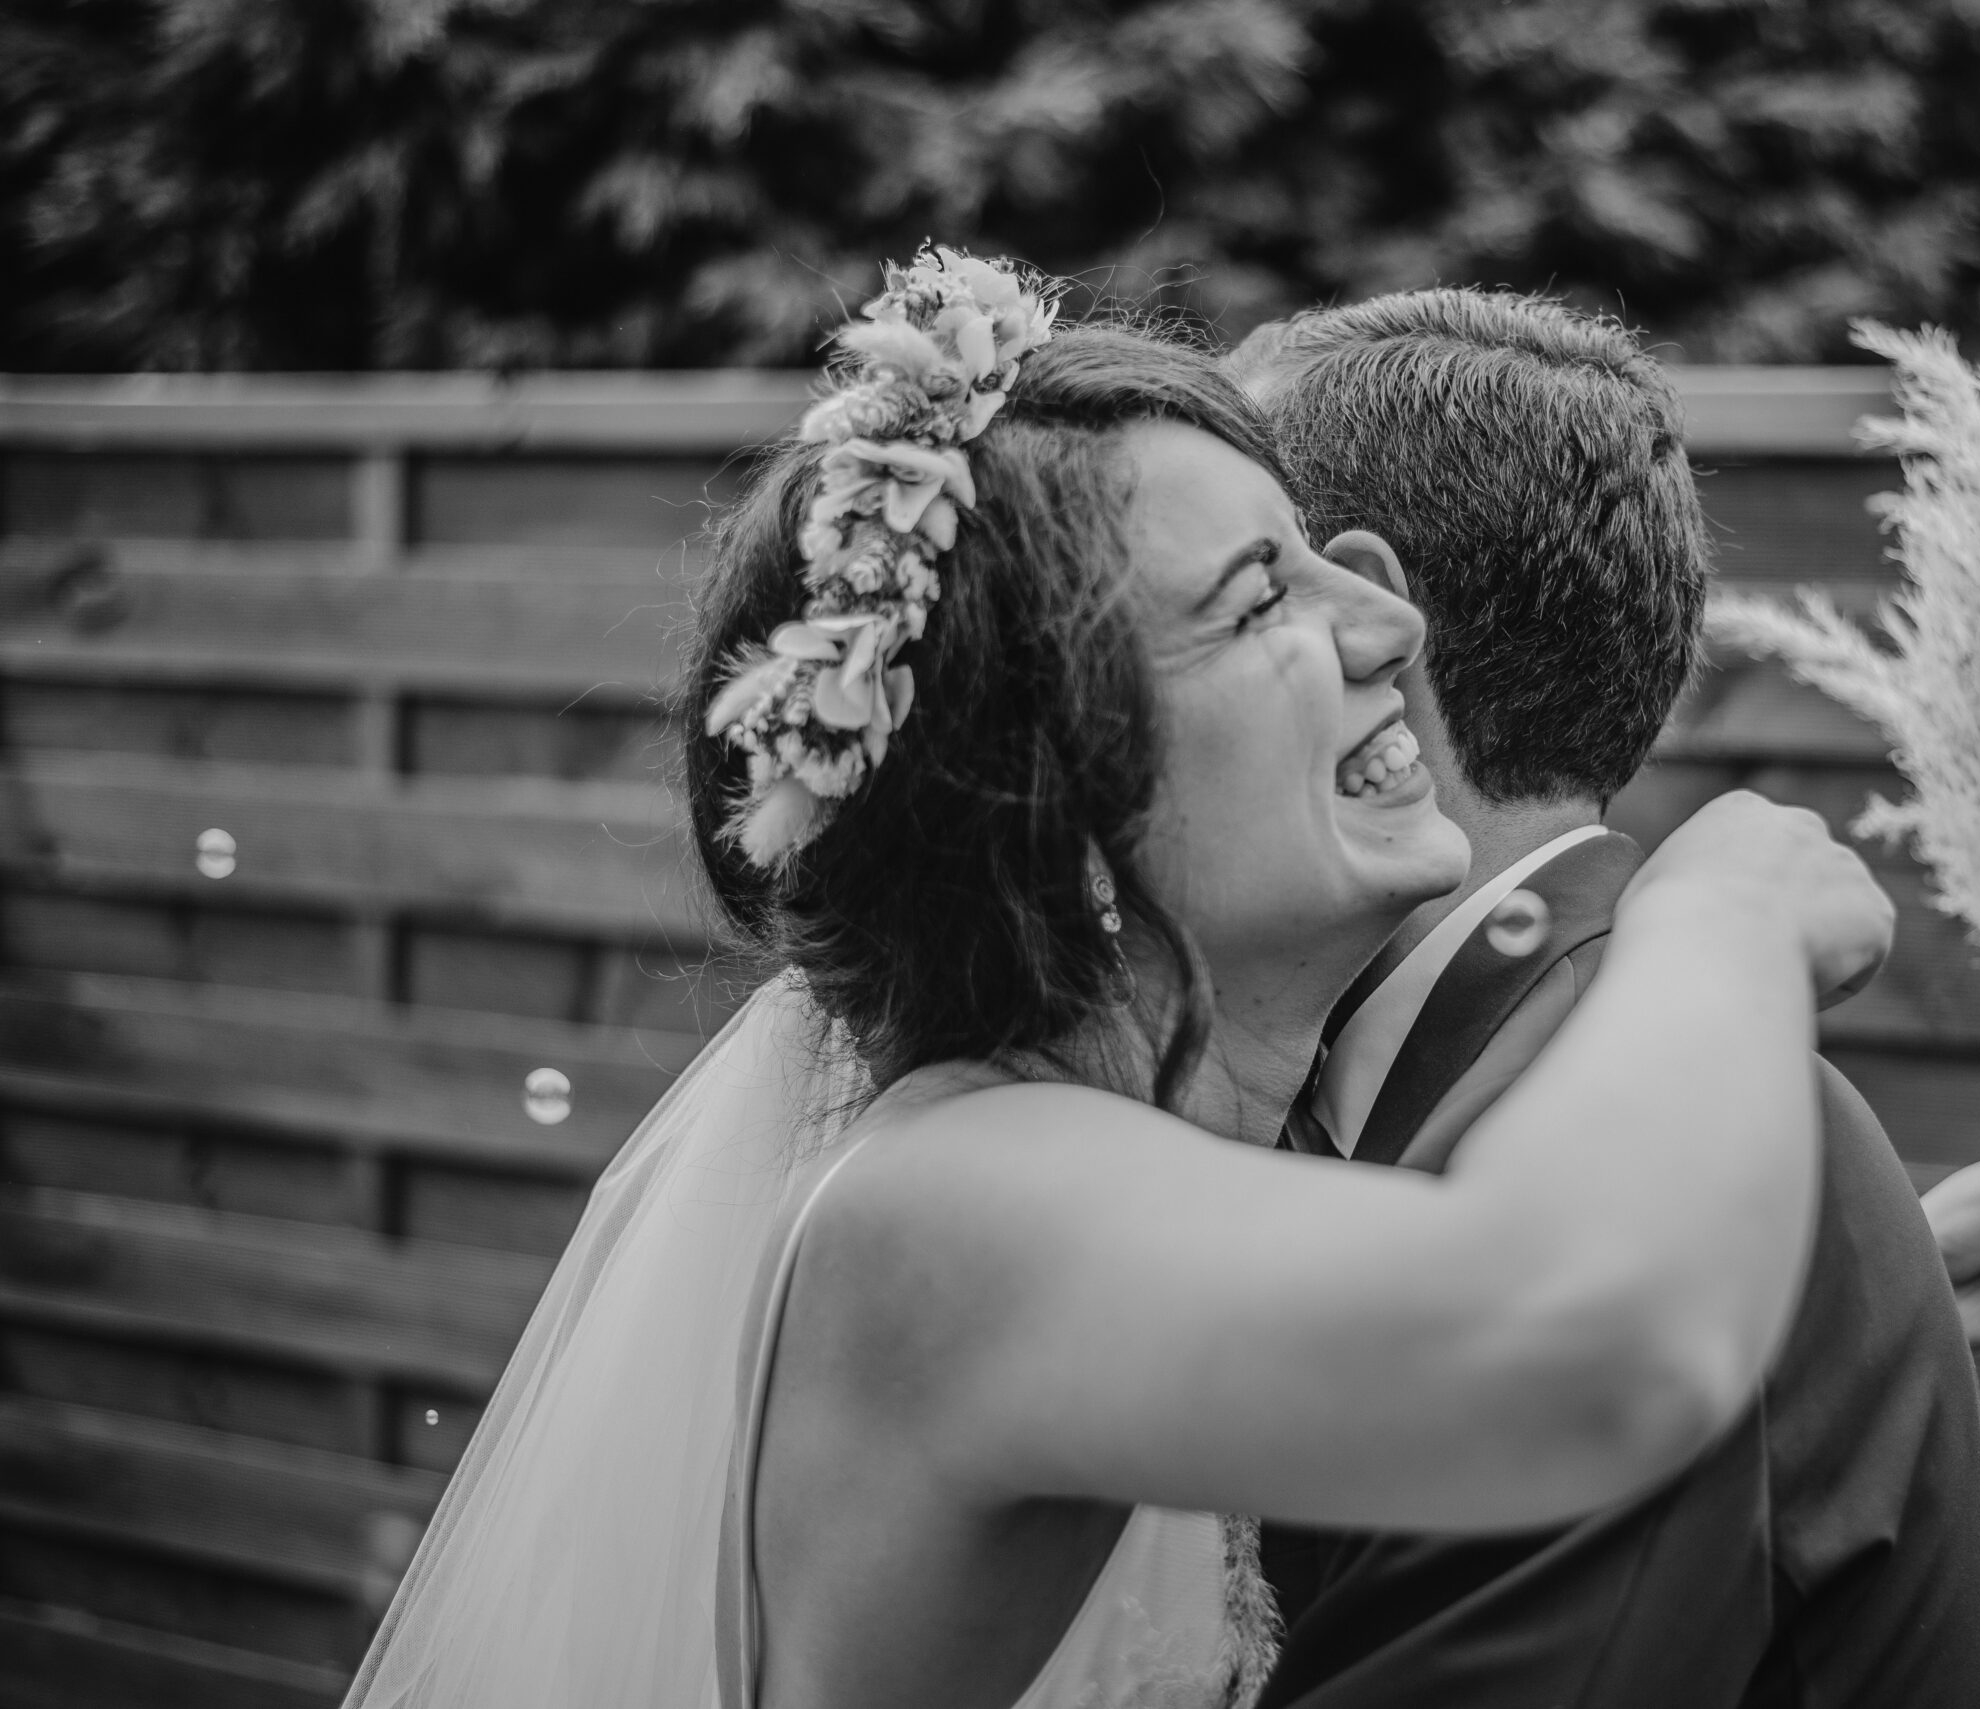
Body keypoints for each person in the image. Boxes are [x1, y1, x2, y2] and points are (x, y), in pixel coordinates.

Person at [342, 252, 1897, 1709]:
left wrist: (1854, 1265)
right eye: (1261, 597)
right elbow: (1588, 1345)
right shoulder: (958, 1197)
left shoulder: (1066, 1183)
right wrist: (1723, 915)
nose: (1391, 623)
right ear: (1061, 808)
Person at [1229, 289, 1980, 1709]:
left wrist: (1798, 1288)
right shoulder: (1625, 1127)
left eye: (1227, 599)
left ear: (1365, 628)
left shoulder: (1652, 1173)